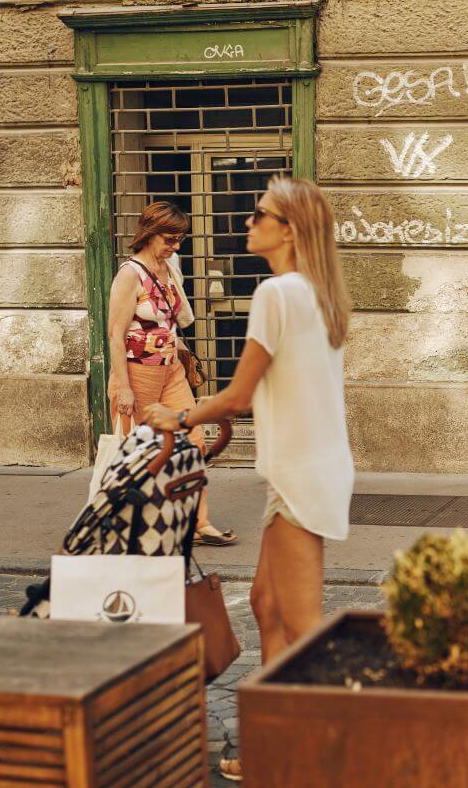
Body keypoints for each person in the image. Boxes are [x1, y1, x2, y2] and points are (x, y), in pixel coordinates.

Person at [144, 178, 354, 783]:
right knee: (266, 603)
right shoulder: (315, 291)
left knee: (305, 624)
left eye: (258, 213)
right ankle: (272, 735)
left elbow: (237, 396)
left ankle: (326, 750)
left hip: (302, 474)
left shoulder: (277, 292)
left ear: (288, 229)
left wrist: (177, 416)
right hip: (306, 467)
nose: (247, 221)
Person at [107, 200, 238, 546]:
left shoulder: (171, 267)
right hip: (138, 373)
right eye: (170, 239)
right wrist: (123, 387)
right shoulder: (129, 275)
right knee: (143, 451)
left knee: (193, 441)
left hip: (172, 371)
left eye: (179, 239)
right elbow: (115, 335)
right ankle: (131, 525)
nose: (175, 246)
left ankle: (198, 523)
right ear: (149, 233)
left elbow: (171, 321)